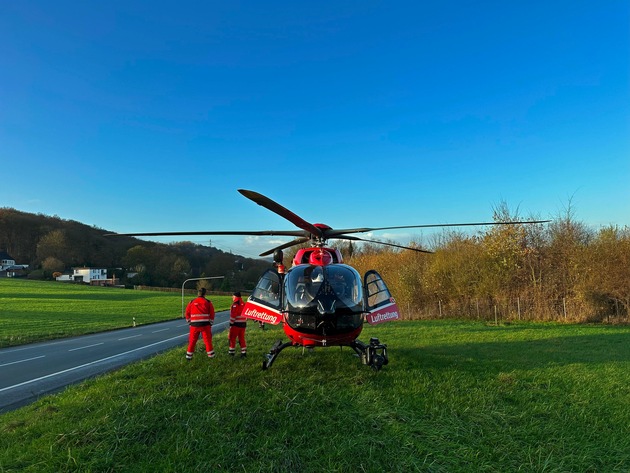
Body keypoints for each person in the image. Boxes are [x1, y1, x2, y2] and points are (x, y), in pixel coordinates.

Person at [184, 287, 215, 360]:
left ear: (198, 293)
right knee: (207, 341)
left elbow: (187, 312)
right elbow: (212, 314)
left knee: (192, 341)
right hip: (205, 325)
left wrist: (189, 322)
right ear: (205, 294)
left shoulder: (191, 302)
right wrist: (210, 323)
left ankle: (189, 357)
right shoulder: (208, 302)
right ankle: (211, 356)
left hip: (194, 325)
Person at [228, 291, 247, 357]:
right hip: (243, 324)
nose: (232, 298)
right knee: (241, 338)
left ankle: (231, 352)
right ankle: (243, 352)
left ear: (235, 297)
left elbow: (233, 315)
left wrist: (231, 323)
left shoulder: (235, 304)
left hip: (236, 325)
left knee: (232, 338)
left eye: (233, 296)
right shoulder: (244, 304)